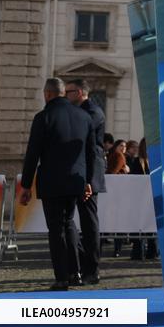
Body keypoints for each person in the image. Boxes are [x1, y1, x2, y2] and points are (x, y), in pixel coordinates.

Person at [19, 78, 95, 290]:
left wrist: (26, 185)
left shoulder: (43, 117)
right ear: (63, 93)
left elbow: (33, 153)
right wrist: (88, 181)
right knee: (69, 223)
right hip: (76, 181)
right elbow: (91, 153)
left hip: (52, 182)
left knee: (55, 228)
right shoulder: (84, 117)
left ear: (48, 94)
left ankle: (61, 277)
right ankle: (76, 273)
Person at [64, 79, 105, 285]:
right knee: (72, 220)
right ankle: (82, 263)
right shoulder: (81, 111)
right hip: (78, 171)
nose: (65, 96)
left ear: (79, 92)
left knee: (89, 223)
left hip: (88, 174)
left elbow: (86, 143)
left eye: (68, 92)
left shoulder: (93, 111)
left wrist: (88, 180)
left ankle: (93, 268)